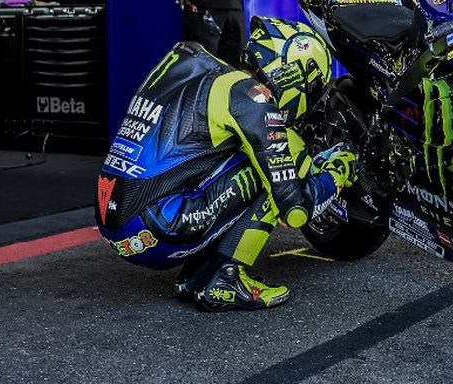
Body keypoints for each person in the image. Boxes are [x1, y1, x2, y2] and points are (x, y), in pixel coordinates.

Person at [96, 17, 357, 311]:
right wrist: (337, 172)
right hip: (159, 228)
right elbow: (295, 211)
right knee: (282, 160)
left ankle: (199, 272)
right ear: (295, 75)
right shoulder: (252, 99)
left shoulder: (196, 65)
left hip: (117, 223)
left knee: (235, 151)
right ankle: (226, 279)